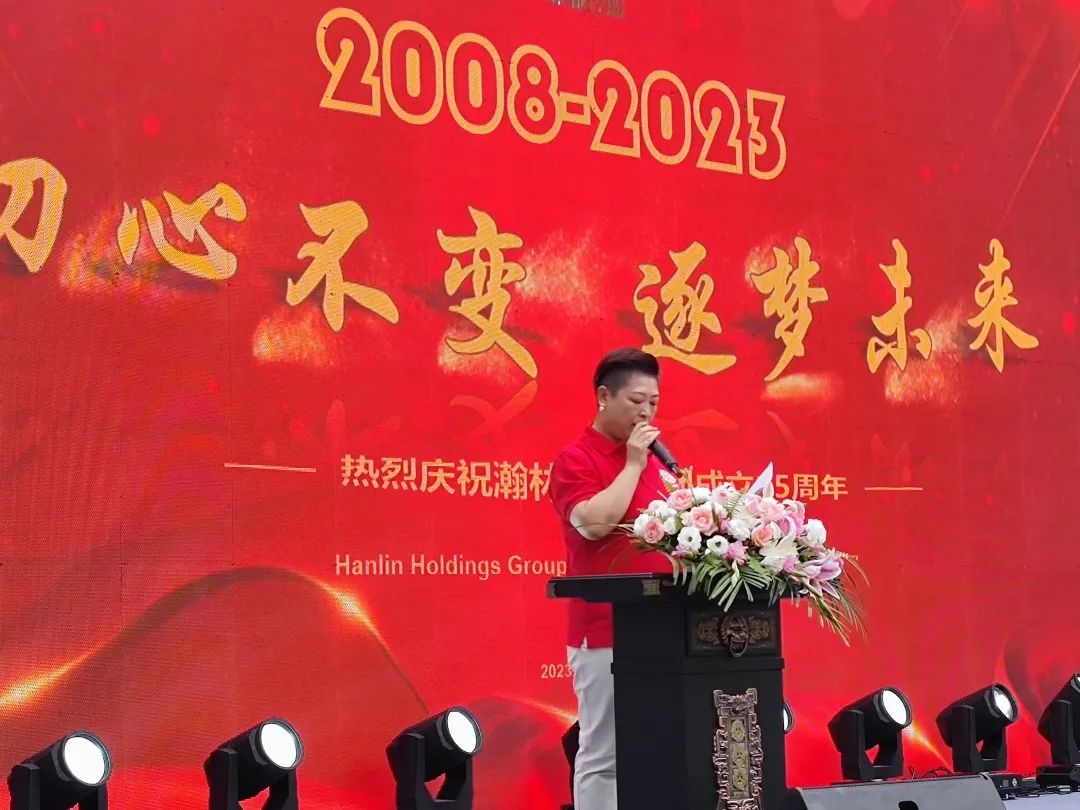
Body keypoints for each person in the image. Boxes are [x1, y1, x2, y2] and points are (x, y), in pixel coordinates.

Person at [549, 348, 674, 810]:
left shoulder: (658, 464)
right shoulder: (576, 459)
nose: (646, 413)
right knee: (605, 753)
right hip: (604, 631)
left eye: (654, 403)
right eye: (636, 401)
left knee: (660, 745)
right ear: (604, 397)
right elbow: (594, 525)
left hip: (663, 628)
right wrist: (633, 465)